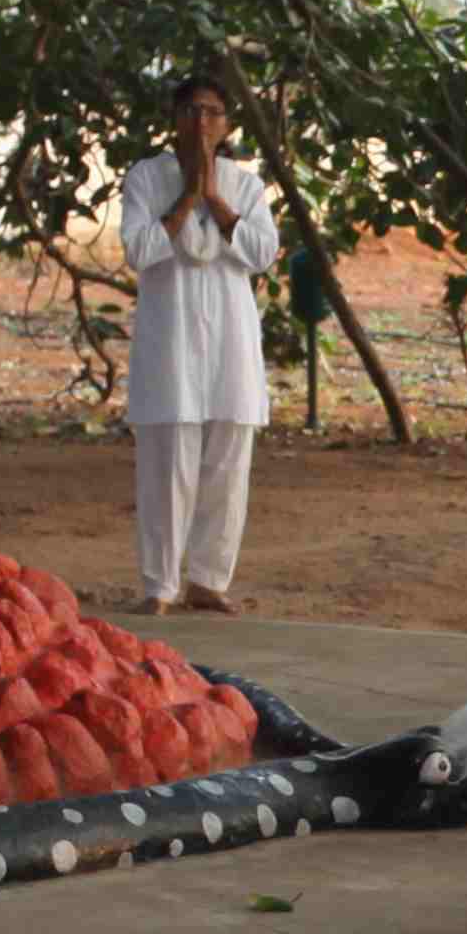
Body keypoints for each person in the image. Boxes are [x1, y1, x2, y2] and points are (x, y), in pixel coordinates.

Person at [122, 72, 283, 615]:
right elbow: (139, 251)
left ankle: (208, 580)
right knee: (166, 465)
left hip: (230, 341)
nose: (201, 122)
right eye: (191, 111)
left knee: (227, 464)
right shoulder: (146, 178)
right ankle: (160, 585)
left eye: (212, 112)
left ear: (228, 124)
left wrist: (213, 197)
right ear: (174, 119)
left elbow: (262, 254)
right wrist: (187, 198)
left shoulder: (246, 186)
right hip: (170, 338)